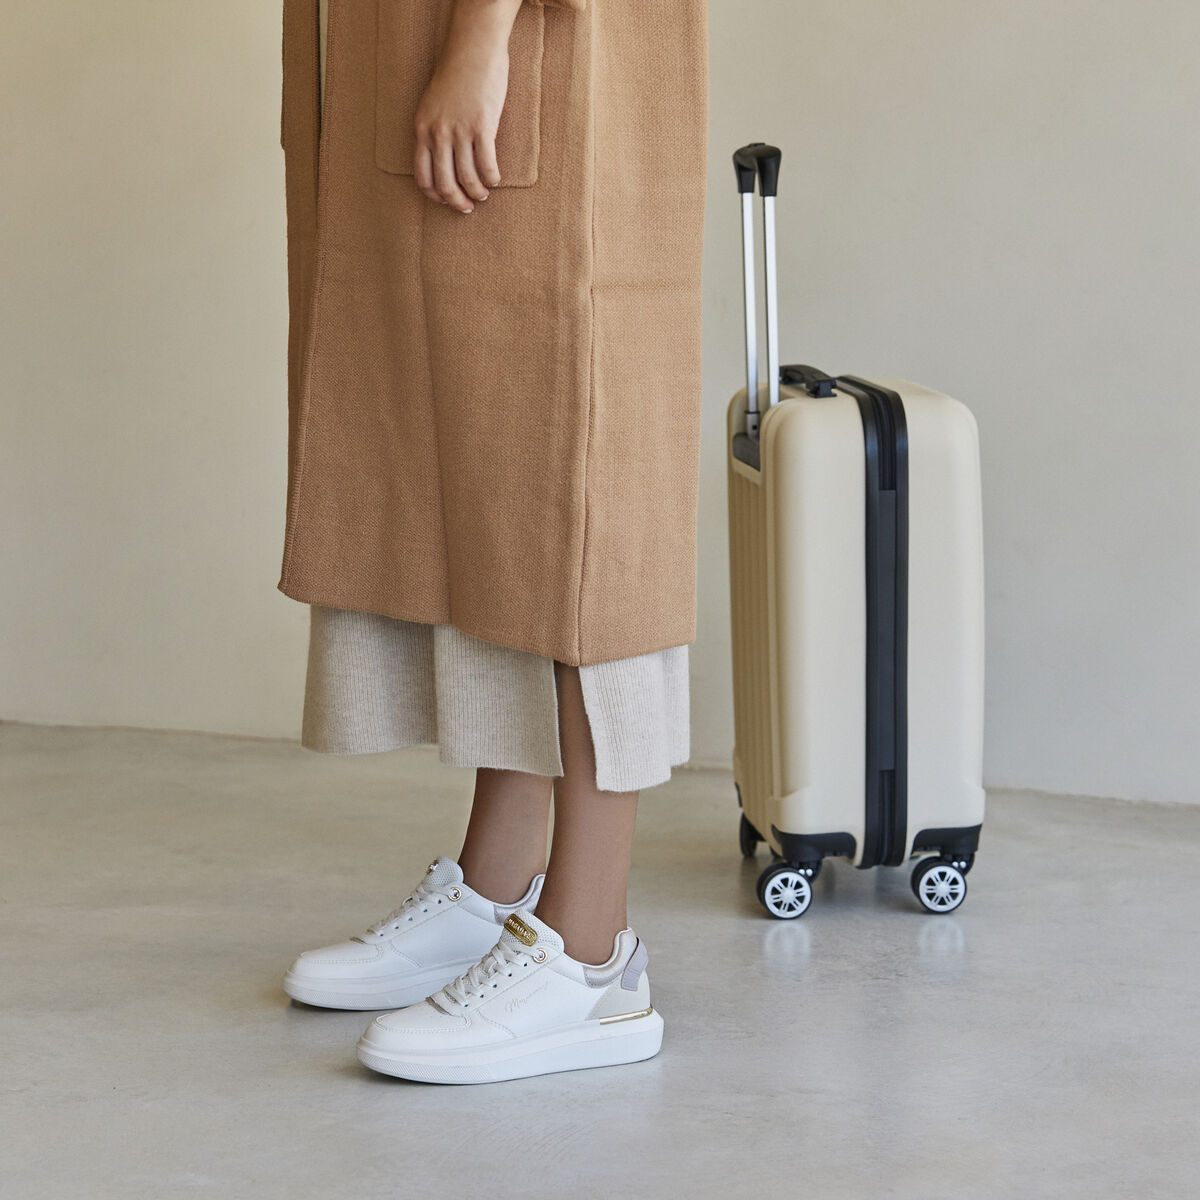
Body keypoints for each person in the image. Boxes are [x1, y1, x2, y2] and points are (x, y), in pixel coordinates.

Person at [276, 0, 708, 1083]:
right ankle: (496, 891)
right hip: (399, 38)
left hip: (529, 36)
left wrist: (480, 38)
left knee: (578, 484)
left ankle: (593, 953)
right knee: (490, 471)